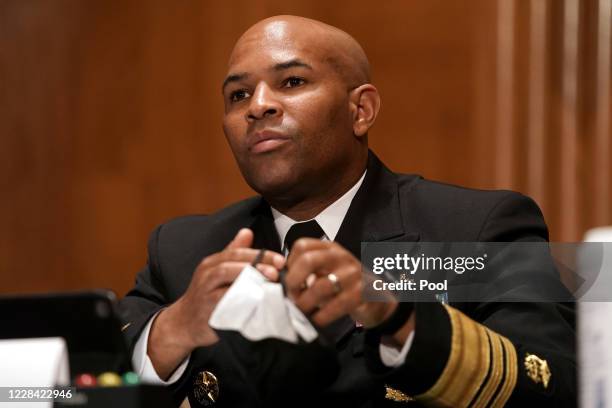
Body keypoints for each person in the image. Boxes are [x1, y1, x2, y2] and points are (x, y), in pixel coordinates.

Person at [119, 15, 575, 407]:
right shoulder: (184, 251)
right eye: (238, 95)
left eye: (292, 82)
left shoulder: (476, 226)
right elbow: (58, 392)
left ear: (361, 110)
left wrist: (403, 319)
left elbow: (559, 383)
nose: (258, 106)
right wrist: (171, 332)